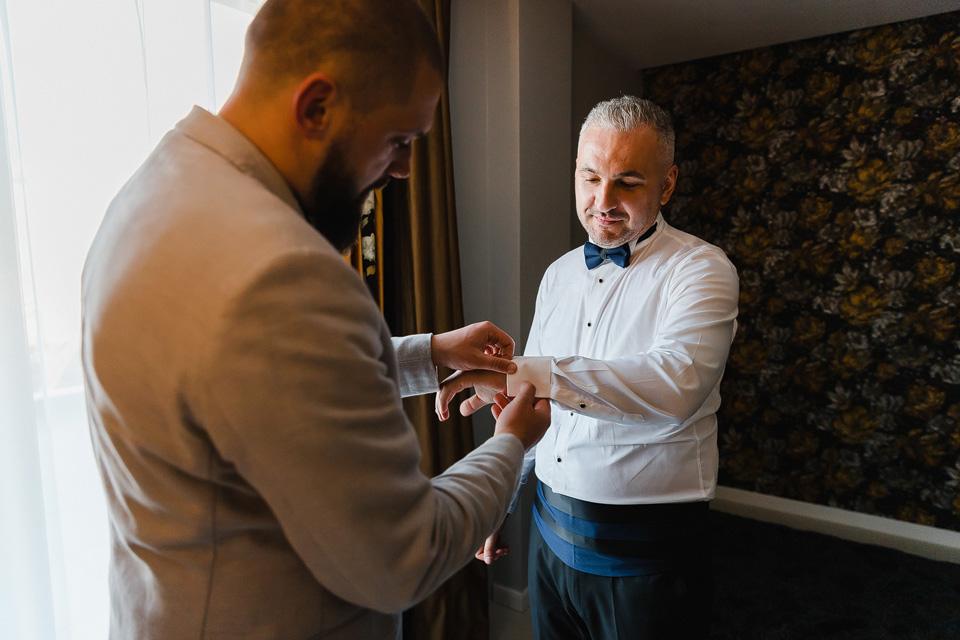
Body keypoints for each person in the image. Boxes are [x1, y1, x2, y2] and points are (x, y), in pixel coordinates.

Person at [81, 1, 550, 638]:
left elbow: (260, 384)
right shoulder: (280, 268)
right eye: (399, 140)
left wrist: (432, 352)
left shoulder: (154, 191)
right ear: (317, 106)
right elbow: (404, 555)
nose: (405, 169)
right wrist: (511, 443)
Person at [436, 96, 739, 638]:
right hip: (549, 539)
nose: (603, 201)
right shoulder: (557, 275)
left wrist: (528, 372)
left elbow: (676, 386)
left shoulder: (701, 269)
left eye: (627, 182)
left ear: (667, 185)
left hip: (649, 556)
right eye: (591, 177)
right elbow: (533, 404)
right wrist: (499, 500)